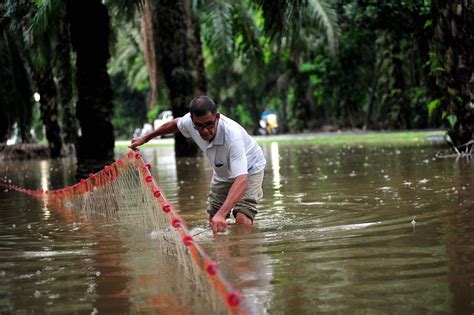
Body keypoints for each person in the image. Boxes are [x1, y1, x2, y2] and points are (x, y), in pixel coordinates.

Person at [129, 96, 266, 233]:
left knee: (242, 217)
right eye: (199, 126)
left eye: (209, 124)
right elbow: (174, 124)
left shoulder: (232, 136)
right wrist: (145, 138)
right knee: (214, 219)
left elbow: (242, 180)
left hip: (250, 167)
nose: (205, 130)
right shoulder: (189, 122)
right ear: (192, 120)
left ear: (217, 117)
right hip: (222, 169)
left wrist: (222, 214)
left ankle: (245, 248)